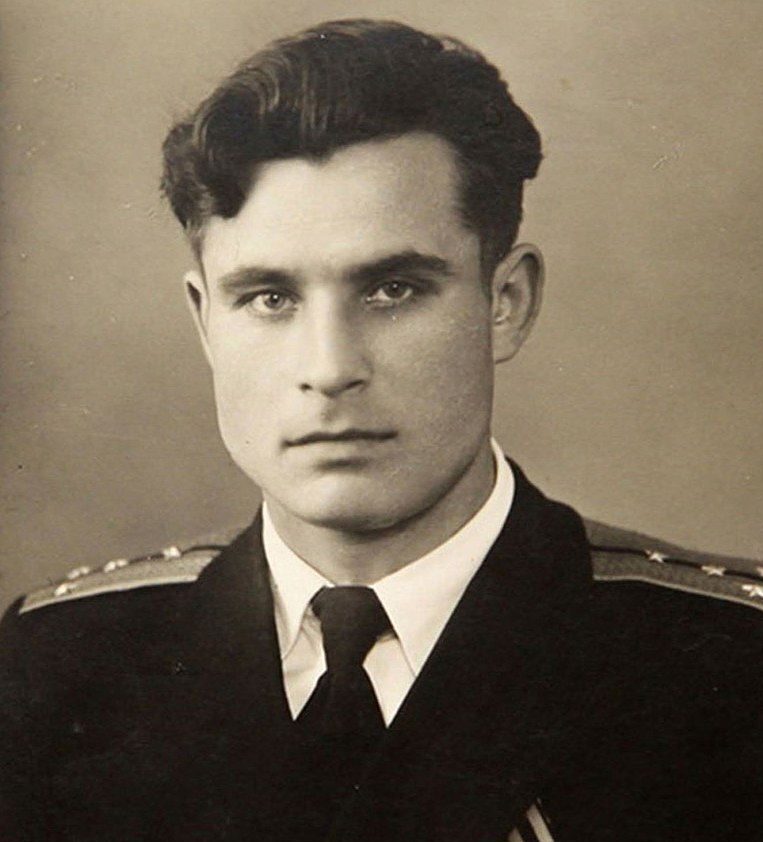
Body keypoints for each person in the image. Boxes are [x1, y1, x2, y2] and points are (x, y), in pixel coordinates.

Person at [1, 18, 761, 842]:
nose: (329, 368)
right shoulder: (52, 670)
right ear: (205, 322)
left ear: (504, 303)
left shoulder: (726, 665)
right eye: (268, 298)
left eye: (392, 289)